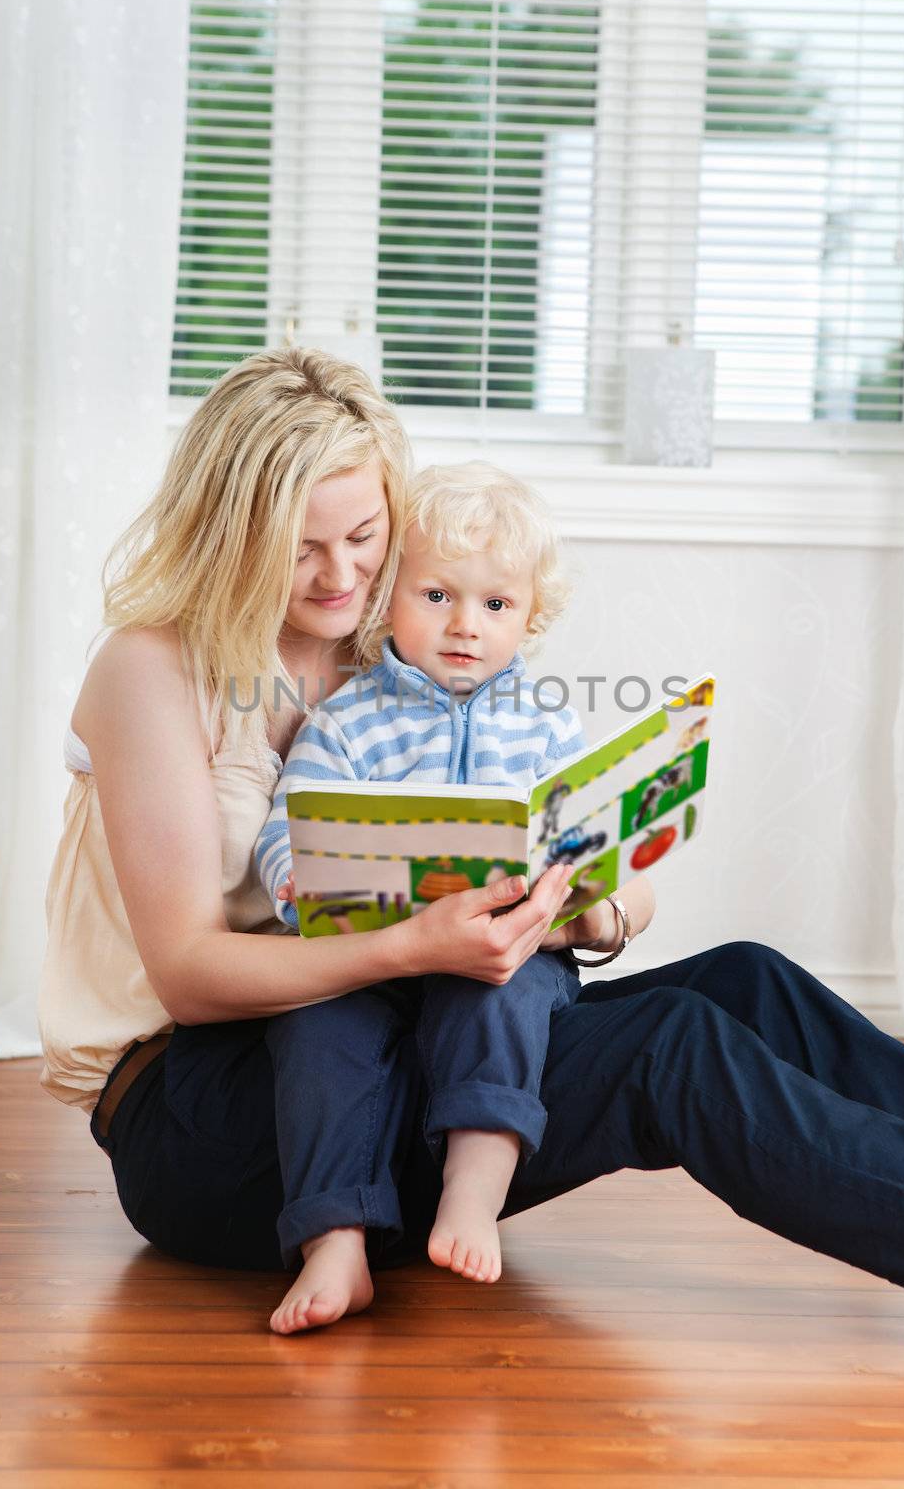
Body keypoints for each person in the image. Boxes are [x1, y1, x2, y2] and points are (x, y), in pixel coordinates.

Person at [38, 346, 904, 1341]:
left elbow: (568, 845)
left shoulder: (395, 638)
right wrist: (415, 945)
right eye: (300, 546)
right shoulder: (151, 667)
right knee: (668, 1048)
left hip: (409, 1017)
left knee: (745, 982)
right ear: (230, 530)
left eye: (364, 537)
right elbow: (189, 975)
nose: (340, 574)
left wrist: (584, 908)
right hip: (215, 1114)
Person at [253, 463, 605, 1328]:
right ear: (390, 599)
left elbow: (588, 839)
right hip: (374, 952)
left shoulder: (547, 722)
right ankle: (334, 1243)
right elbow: (285, 822)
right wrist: (292, 877)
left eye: (496, 605)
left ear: (531, 615)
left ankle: (472, 1199)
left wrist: (578, 881)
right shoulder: (346, 718)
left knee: (502, 993)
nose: (464, 625)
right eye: (437, 594)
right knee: (312, 1026)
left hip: (499, 951)